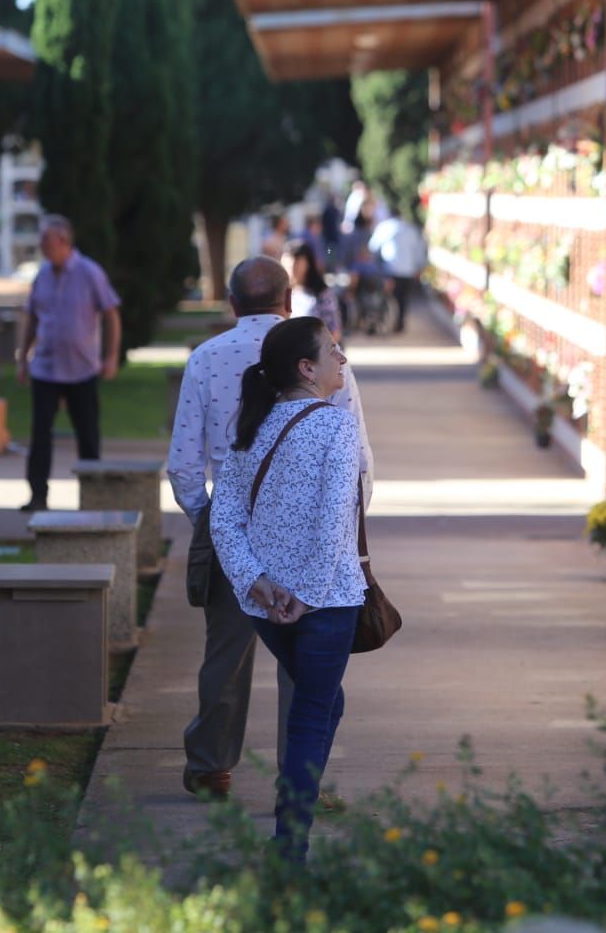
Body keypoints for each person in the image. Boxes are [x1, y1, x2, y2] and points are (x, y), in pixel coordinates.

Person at [168, 256, 373, 800]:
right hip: (311, 542)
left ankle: (211, 765)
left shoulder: (205, 358)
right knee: (307, 670)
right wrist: (346, 543)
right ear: (288, 302)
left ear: (232, 303)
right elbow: (355, 465)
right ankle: (300, 778)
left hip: (232, 536)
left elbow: (185, 465)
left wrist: (212, 526)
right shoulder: (317, 356)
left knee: (225, 659)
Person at [209, 315, 364, 861]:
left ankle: (290, 833)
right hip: (325, 605)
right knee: (309, 714)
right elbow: (333, 521)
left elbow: (222, 520)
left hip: (267, 606)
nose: (341, 361)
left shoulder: (252, 426)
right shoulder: (338, 426)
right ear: (307, 367)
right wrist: (308, 593)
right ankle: (289, 847)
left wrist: (258, 585)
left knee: (324, 702)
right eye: (334, 352)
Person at [15, 215, 122, 511]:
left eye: (45, 241)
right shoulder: (42, 275)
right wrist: (22, 357)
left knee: (88, 436)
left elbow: (112, 313)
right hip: (45, 369)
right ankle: (38, 496)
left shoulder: (89, 273)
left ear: (62, 241)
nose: (41, 246)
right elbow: (32, 317)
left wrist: (111, 356)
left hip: (81, 370)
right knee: (40, 435)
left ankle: (92, 498)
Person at [368, 215, 428, 332]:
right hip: (407, 270)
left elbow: (373, 247)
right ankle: (399, 323)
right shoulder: (411, 230)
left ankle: (383, 320)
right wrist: (419, 267)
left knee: (387, 295)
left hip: (390, 269)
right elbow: (419, 251)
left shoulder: (385, 227)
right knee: (403, 298)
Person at [283, 239, 342, 342]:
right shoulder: (282, 294)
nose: (292, 269)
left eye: (297, 263)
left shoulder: (322, 294)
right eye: (288, 264)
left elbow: (334, 331)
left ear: (308, 264)